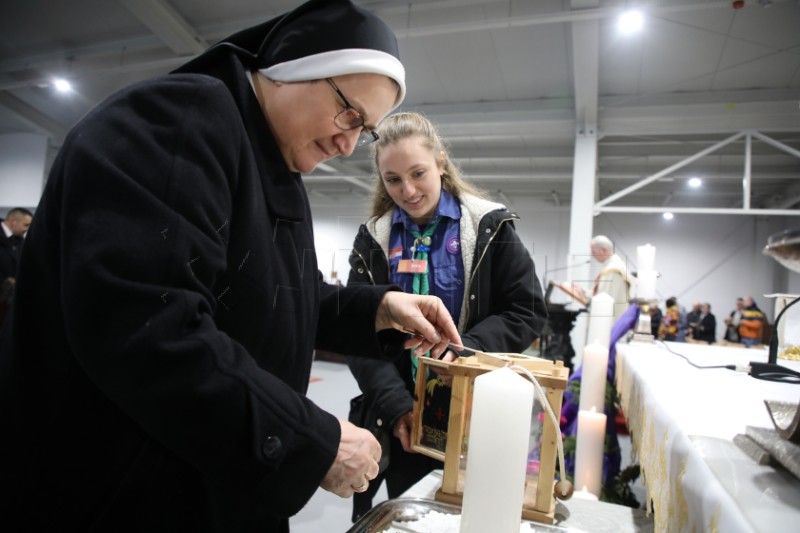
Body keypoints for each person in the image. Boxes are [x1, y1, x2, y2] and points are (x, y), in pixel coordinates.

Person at [0, 2, 464, 531]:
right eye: (350, 114)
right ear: (299, 66)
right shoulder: (179, 120)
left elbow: (274, 296)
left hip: (205, 479)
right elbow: (149, 330)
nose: (347, 142)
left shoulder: (270, 163)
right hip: (122, 490)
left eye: (365, 132)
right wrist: (311, 441)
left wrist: (378, 308)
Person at [344, 112, 547, 521]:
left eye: (418, 172)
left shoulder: (490, 227)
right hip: (404, 421)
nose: (409, 189)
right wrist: (397, 404)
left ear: (440, 162)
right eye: (393, 179)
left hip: (477, 409)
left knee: (475, 517)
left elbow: (526, 311)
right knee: (411, 518)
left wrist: (465, 351)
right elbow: (357, 332)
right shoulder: (374, 240)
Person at [587, 235, 632, 323]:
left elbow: (604, 298)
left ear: (603, 250)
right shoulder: (614, 265)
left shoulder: (614, 270)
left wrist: (587, 297)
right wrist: (584, 293)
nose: (592, 255)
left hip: (610, 323)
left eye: (593, 251)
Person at [0, 207, 33, 327]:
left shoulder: (19, 241)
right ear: (14, 222)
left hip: (11, 299)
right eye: (26, 225)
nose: (27, 229)